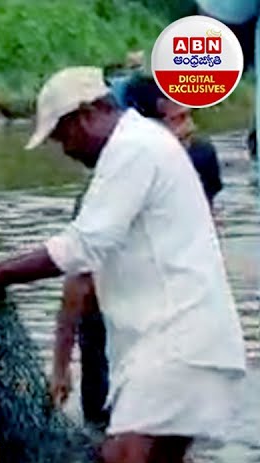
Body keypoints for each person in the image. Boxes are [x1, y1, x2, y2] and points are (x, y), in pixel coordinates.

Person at [0, 66, 247, 463]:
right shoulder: (143, 144)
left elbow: (82, 247)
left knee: (121, 461)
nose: (65, 150)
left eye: (63, 136)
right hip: (188, 341)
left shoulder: (133, 149)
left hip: (176, 343)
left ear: (87, 114)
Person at [52, 72, 226, 430]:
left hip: (167, 325)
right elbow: (79, 279)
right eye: (175, 119)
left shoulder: (199, 156)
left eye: (187, 115)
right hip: (111, 327)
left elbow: (206, 231)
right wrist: (61, 363)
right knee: (111, 434)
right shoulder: (110, 183)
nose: (188, 127)